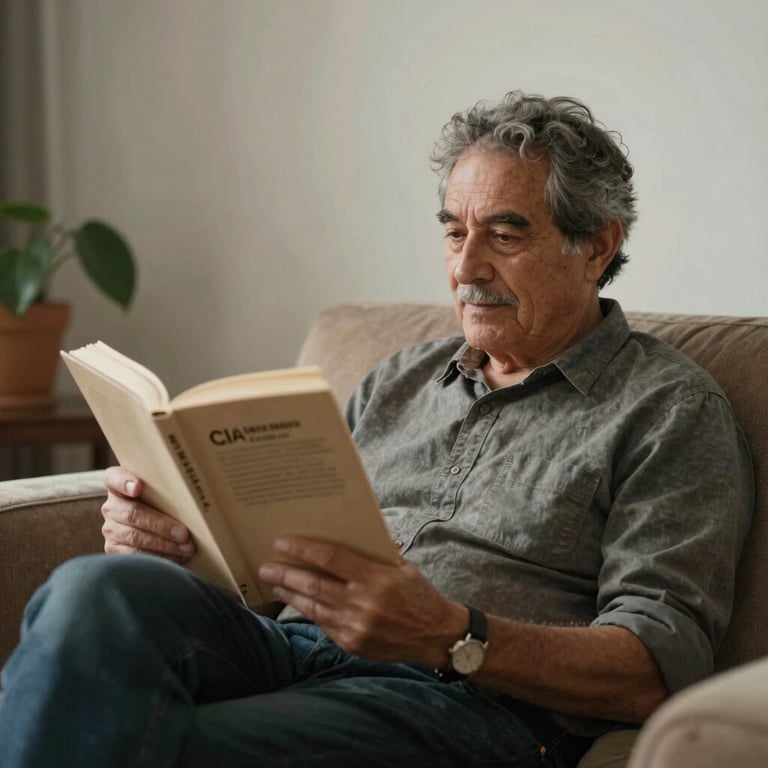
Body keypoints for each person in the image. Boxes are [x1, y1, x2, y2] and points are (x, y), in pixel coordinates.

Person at [0, 92, 754, 768]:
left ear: (596, 246)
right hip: (289, 647)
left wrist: (451, 635)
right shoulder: (401, 379)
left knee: (159, 742)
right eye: (454, 232)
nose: (467, 267)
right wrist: (178, 540)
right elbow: (273, 573)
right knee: (96, 590)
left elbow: (658, 665)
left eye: (505, 234)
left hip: (466, 705)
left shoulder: (669, 410)